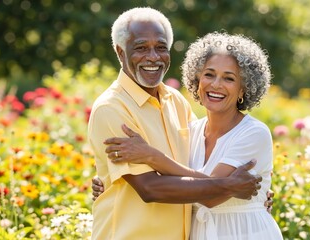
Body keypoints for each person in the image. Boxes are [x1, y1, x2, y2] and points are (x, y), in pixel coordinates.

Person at [88, 7, 263, 240]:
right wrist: (230, 187)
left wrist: (257, 195)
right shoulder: (112, 108)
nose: (153, 57)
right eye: (141, 48)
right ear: (120, 52)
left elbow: (197, 169)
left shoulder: (176, 101)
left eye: (161, 48)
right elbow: (150, 188)